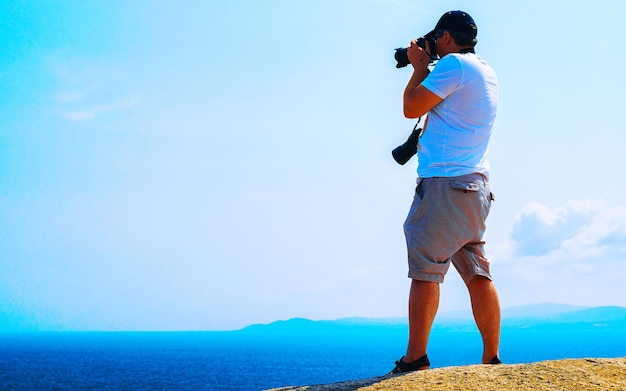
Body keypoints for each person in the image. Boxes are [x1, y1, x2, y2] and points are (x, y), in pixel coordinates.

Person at [389, 10, 502, 374]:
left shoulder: (452, 65)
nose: (434, 44)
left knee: (425, 270)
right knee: (476, 270)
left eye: (437, 38)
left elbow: (410, 109)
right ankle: (491, 359)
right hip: (474, 186)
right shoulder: (484, 69)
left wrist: (418, 67)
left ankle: (415, 359)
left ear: (448, 37)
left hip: (444, 186)